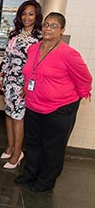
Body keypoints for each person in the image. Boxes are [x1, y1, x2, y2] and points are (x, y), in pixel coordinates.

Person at [17, 12, 92, 192]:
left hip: (58, 109)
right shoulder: (33, 49)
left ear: (62, 30)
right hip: (33, 106)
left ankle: (46, 181)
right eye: (45, 25)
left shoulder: (69, 54)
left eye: (53, 26)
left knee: (52, 148)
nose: (48, 28)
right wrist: (27, 88)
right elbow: (31, 72)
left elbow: (85, 80)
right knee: (33, 143)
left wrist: (70, 103)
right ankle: (30, 173)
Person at [0, 0, 43, 169]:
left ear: (37, 16)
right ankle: (10, 147)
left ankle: (18, 152)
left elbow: (37, 65)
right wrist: (0, 76)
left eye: (31, 14)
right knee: (9, 114)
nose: (26, 17)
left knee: (18, 117)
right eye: (24, 14)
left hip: (23, 84)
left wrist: (27, 86)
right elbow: (6, 58)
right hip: (9, 81)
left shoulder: (39, 38)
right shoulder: (14, 34)